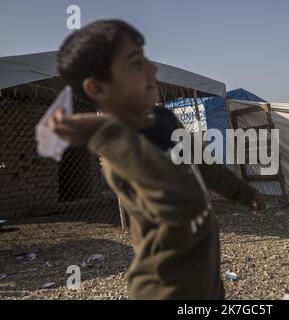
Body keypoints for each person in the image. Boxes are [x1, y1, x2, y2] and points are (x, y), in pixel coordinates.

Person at [49, 19, 265, 299]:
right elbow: (175, 196)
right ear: (98, 88)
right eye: (135, 63)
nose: (152, 69)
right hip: (166, 286)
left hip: (206, 277)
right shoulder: (119, 150)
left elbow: (201, 163)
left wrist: (243, 193)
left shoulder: (164, 119)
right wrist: (104, 131)